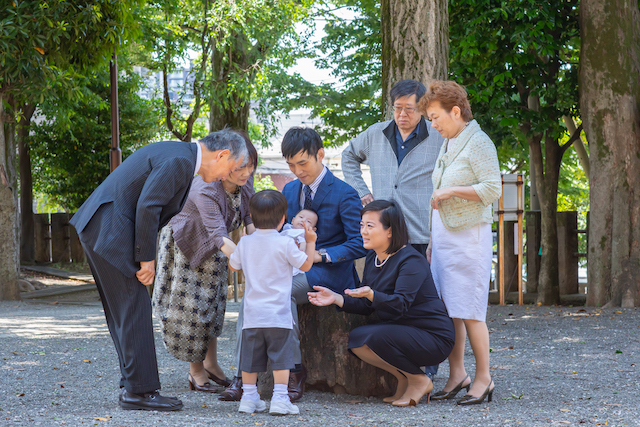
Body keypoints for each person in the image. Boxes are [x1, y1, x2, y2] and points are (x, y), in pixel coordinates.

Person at [69, 129, 247, 411]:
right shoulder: (181, 161)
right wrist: (146, 258)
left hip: (102, 226)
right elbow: (149, 205)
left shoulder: (180, 155)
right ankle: (140, 392)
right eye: (231, 167)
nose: (227, 175)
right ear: (222, 154)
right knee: (134, 307)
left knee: (125, 310)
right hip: (110, 229)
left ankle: (133, 383)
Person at [219, 127, 367, 402]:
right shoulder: (288, 189)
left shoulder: (345, 193)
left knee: (280, 291)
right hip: (292, 265)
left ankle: (295, 370)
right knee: (255, 293)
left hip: (327, 272)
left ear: (320, 155)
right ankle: (243, 375)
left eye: (303, 163)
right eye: (290, 165)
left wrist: (320, 255)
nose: (297, 171)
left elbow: (359, 243)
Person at [341, 80, 445, 379]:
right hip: (385, 235)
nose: (402, 115)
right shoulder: (375, 133)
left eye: (409, 109)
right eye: (397, 108)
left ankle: (427, 367)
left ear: (422, 108)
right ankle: (394, 368)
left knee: (421, 300)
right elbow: (349, 156)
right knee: (384, 296)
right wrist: (362, 191)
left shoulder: (437, 136)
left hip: (419, 230)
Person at [307, 200, 454, 407]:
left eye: (370, 226)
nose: (363, 231)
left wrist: (372, 294)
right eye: (361, 225)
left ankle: (420, 380)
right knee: (358, 340)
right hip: (400, 331)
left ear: (390, 231)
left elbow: (401, 304)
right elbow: (368, 306)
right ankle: (406, 378)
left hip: (432, 335)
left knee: (373, 337)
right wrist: (336, 298)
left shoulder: (411, 260)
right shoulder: (372, 258)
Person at [152, 135, 258, 393]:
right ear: (225, 162)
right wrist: (250, 263)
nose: (246, 172)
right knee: (193, 309)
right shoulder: (206, 188)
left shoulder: (244, 182)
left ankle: (211, 364)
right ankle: (196, 371)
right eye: (240, 166)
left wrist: (263, 248)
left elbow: (251, 219)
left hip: (218, 248)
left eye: (250, 165)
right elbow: (217, 235)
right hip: (187, 245)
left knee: (214, 304)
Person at [418, 80, 501, 405]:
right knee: (450, 309)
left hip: (469, 239)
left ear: (456, 111)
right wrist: (431, 241)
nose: (433, 124)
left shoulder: (478, 142)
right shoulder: (450, 142)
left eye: (436, 117)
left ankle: (484, 378)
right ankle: (457, 374)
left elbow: (492, 188)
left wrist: (451, 191)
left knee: (470, 310)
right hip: (445, 240)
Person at [229, 190, 317, 415]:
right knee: (281, 358)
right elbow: (306, 266)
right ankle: (280, 398)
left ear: (252, 216)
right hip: (278, 314)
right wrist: (310, 242)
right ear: (282, 220)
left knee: (249, 359)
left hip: (252, 315)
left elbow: (234, 266)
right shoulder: (285, 243)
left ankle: (249, 398)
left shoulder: (246, 242)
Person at [280, 208, 319, 276]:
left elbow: (303, 246)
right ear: (293, 220)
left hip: (292, 258)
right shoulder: (287, 227)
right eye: (301, 217)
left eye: (308, 221)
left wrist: (302, 247)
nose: (303, 220)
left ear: (313, 229)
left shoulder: (304, 234)